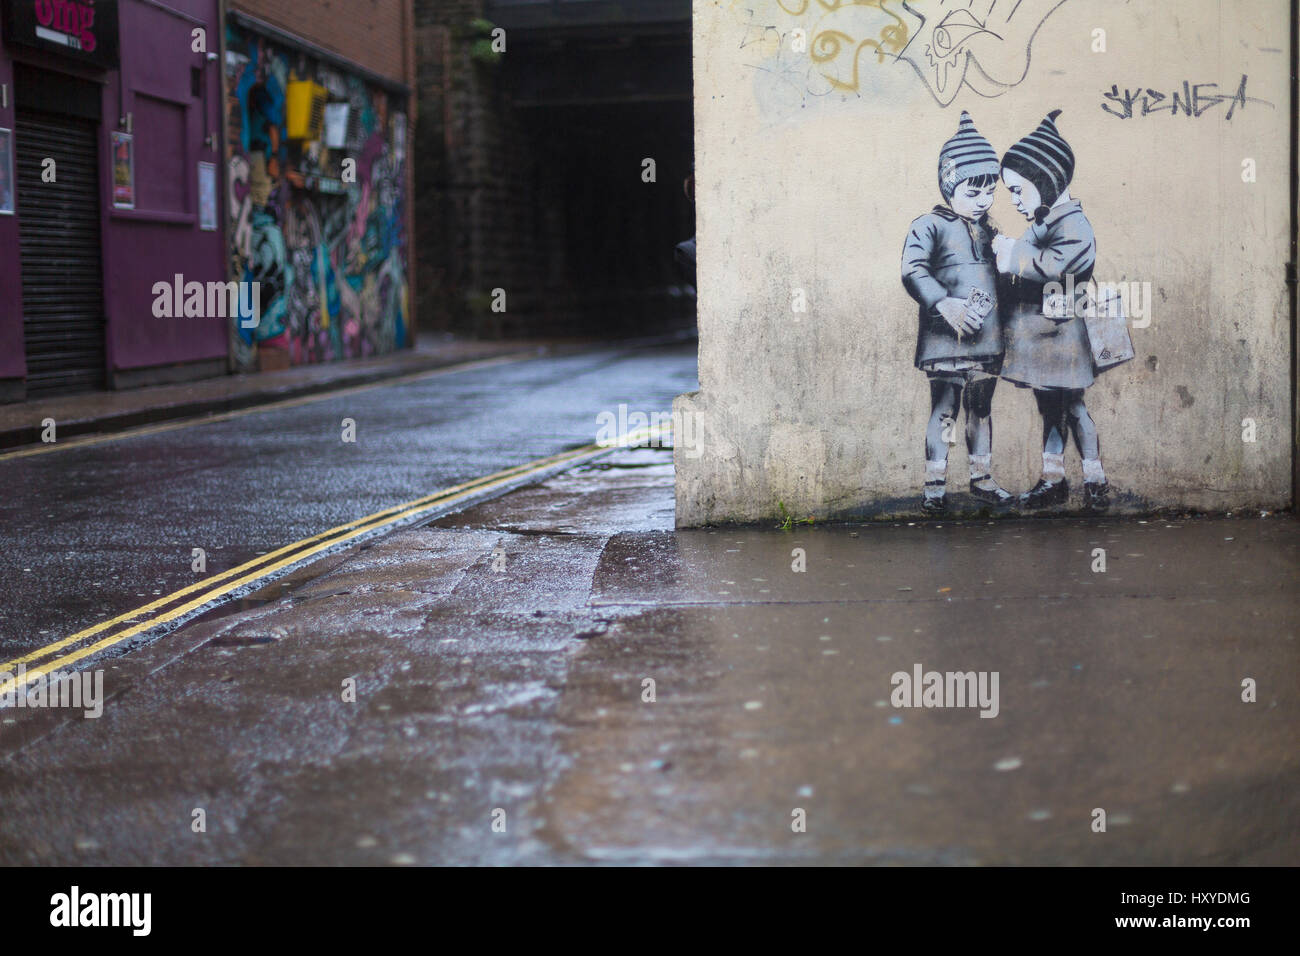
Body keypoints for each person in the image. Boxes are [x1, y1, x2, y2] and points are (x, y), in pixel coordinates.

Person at [993, 110, 1110, 512]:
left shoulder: (1075, 225)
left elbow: (1056, 265)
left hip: (1064, 335)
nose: (1014, 199)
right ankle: (1053, 477)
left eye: (1018, 190)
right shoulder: (1044, 223)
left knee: (1074, 407)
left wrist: (1014, 255)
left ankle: (1094, 478)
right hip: (1047, 337)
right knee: (1050, 408)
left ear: (1045, 180)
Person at [901, 111, 1013, 514]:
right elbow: (913, 270)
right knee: (945, 408)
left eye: (990, 190)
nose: (983, 200)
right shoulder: (928, 225)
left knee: (981, 408)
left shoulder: (991, 230)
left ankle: (982, 478)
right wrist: (943, 302)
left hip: (986, 338)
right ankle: (935, 486)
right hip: (945, 337)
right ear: (950, 186)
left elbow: (1005, 279)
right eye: (973, 190)